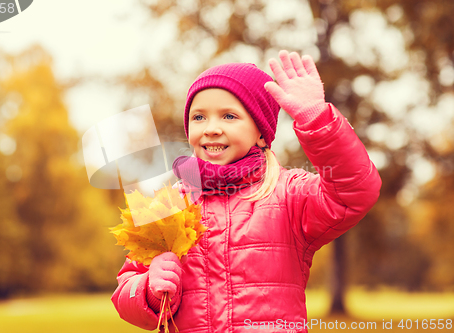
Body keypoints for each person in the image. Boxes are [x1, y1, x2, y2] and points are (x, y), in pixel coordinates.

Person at [111, 50, 382, 333]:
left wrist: (317, 121)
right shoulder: (170, 206)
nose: (211, 129)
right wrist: (150, 290)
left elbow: (355, 190)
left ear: (261, 132)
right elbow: (126, 293)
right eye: (199, 117)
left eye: (229, 116)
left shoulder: (288, 195)